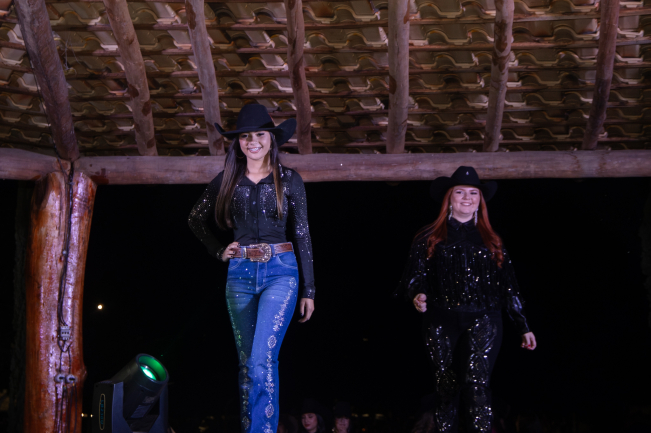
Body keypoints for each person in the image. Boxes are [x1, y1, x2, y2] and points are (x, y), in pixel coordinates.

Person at [188, 104, 316, 433]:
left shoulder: (289, 180)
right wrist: (219, 250)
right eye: (245, 136)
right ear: (239, 142)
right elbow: (195, 219)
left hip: (281, 272)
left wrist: (310, 290)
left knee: (262, 359)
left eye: (260, 134)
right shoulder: (227, 180)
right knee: (247, 365)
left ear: (272, 139)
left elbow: (302, 233)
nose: (253, 141)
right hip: (240, 275)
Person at [398, 166, 537, 433]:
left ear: (480, 200)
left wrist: (523, 325)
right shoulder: (428, 237)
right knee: (446, 387)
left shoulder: (493, 240)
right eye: (460, 192)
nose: (467, 197)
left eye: (473, 193)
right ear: (449, 197)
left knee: (477, 386)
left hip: (484, 318)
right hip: (441, 318)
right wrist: (418, 294)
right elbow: (414, 277)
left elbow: (509, 285)